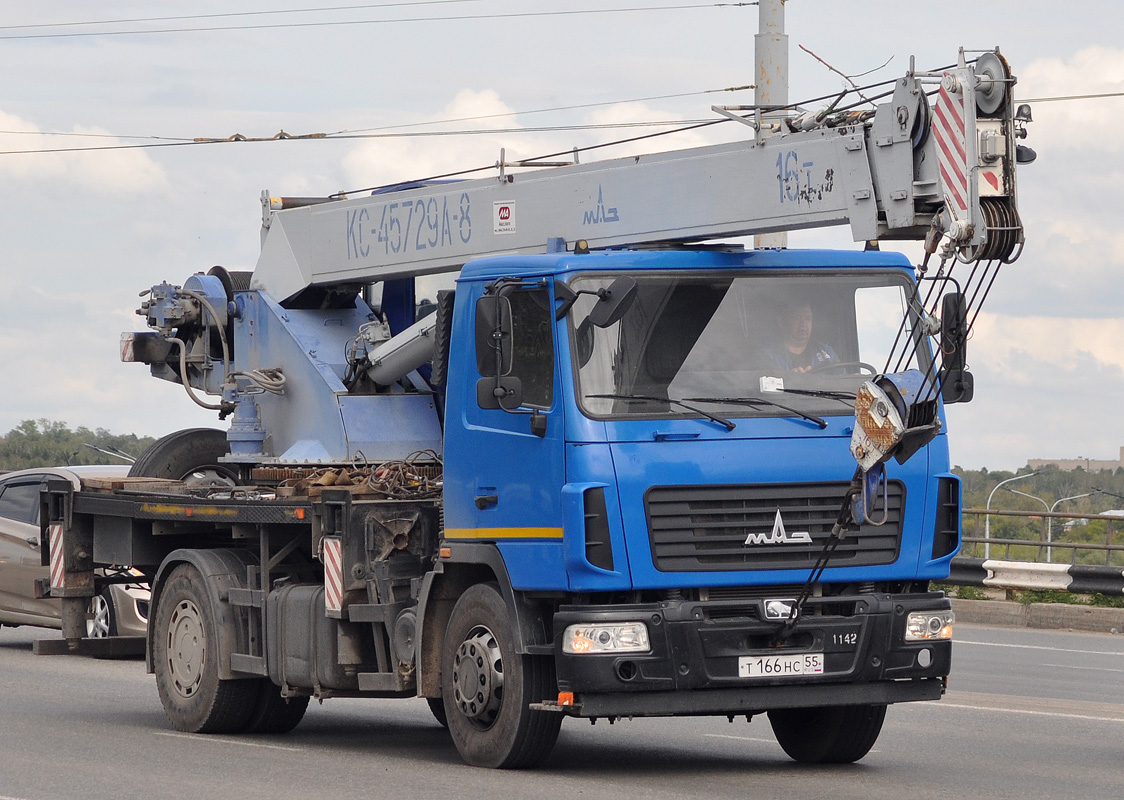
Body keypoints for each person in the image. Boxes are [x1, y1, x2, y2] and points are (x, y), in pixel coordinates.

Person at [767, 301, 836, 373]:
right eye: (797, 317)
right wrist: (788, 378)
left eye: (808, 318)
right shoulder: (768, 355)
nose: (803, 323)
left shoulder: (826, 354)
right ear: (782, 322)